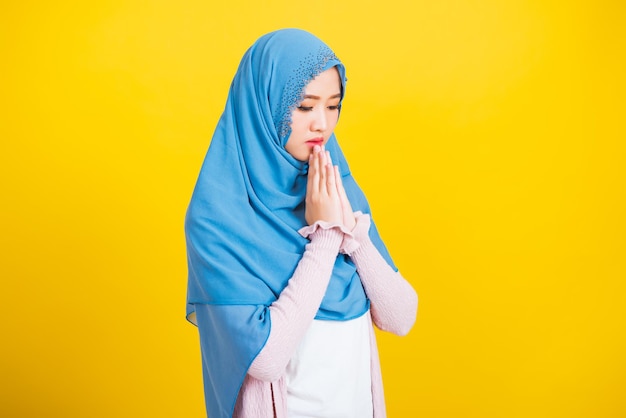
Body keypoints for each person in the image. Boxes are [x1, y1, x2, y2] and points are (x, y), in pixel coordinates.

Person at [185, 28, 418, 418]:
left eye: (333, 106)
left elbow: (401, 316)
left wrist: (352, 235)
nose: (322, 125)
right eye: (305, 107)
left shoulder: (334, 185)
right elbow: (265, 358)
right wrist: (326, 237)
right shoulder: (216, 217)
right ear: (265, 105)